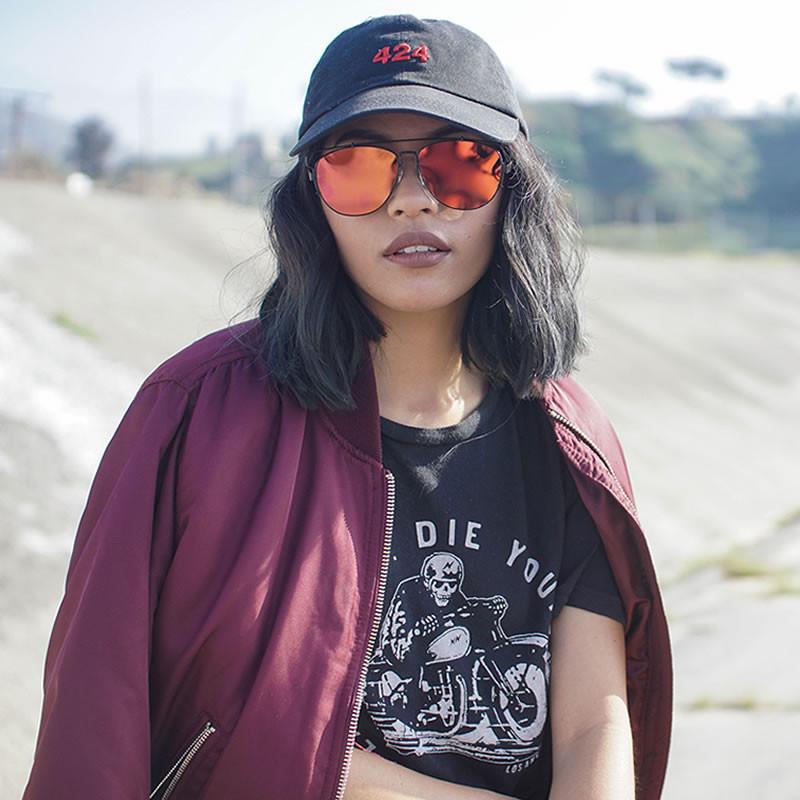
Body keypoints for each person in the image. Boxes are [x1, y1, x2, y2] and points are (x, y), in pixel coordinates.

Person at [22, 14, 671, 800]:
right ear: (312, 199)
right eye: (358, 167)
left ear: (514, 189)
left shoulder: (570, 442)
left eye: (458, 164)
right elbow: (99, 708)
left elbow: (593, 725)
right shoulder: (192, 416)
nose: (411, 200)